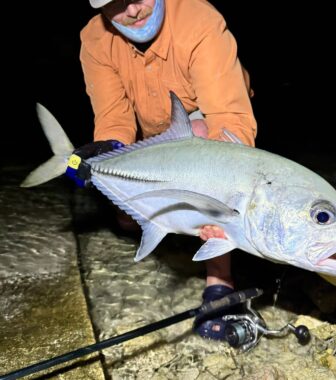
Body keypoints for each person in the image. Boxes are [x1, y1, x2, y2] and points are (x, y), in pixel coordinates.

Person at [67, 0, 257, 341]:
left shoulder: (198, 18)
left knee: (204, 149)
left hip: (203, 123)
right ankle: (160, 221)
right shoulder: (95, 39)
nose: (133, 10)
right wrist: (103, 151)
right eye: (115, 4)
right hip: (153, 133)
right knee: (126, 219)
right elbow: (114, 119)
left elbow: (228, 120)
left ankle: (220, 281)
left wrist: (226, 202)